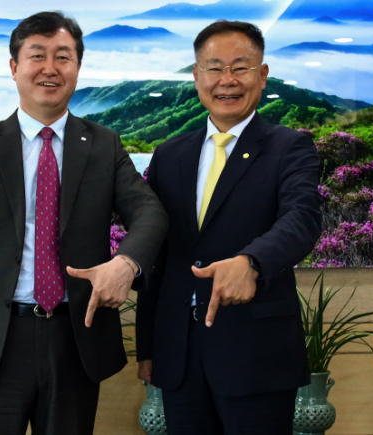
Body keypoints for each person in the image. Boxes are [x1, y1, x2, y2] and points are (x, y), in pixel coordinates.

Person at [0, 11, 167, 435]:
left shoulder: (103, 145)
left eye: (63, 57)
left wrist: (125, 264)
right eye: (37, 55)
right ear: (14, 67)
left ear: (78, 67)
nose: (50, 68)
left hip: (75, 340)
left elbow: (150, 213)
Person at [136, 20, 323, 434]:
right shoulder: (169, 154)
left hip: (256, 354)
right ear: (196, 75)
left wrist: (253, 261)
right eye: (214, 68)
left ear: (263, 74)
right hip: (180, 355)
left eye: (241, 68)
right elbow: (159, 254)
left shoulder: (290, 147)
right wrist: (148, 345)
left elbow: (302, 218)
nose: (227, 80)